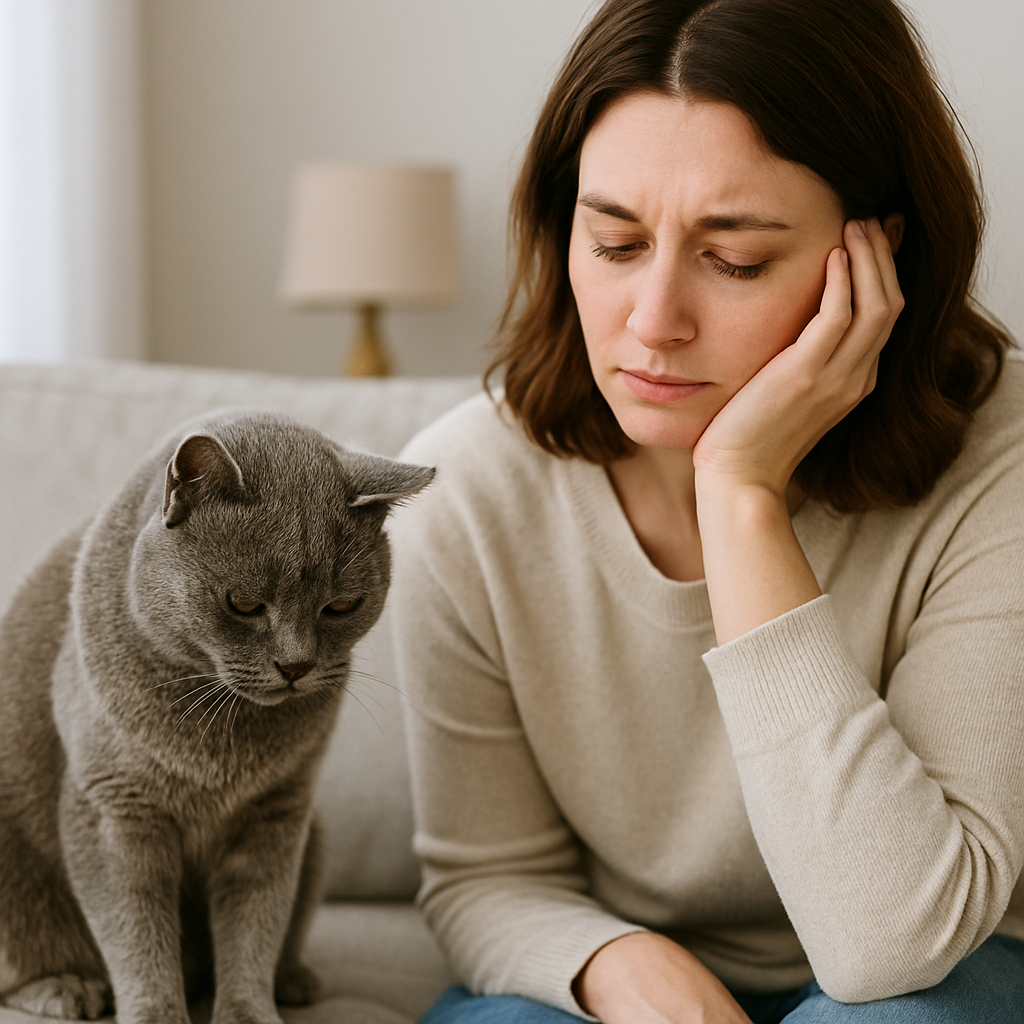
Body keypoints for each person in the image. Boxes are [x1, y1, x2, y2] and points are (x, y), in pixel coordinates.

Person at [388, 0, 1024, 1021]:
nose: (652, 324)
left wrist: (741, 496)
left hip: (936, 969)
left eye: (734, 259)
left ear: (875, 256)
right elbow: (483, 878)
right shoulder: (464, 493)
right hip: (639, 972)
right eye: (614, 241)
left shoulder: (1005, 464)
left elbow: (889, 940)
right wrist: (619, 965)